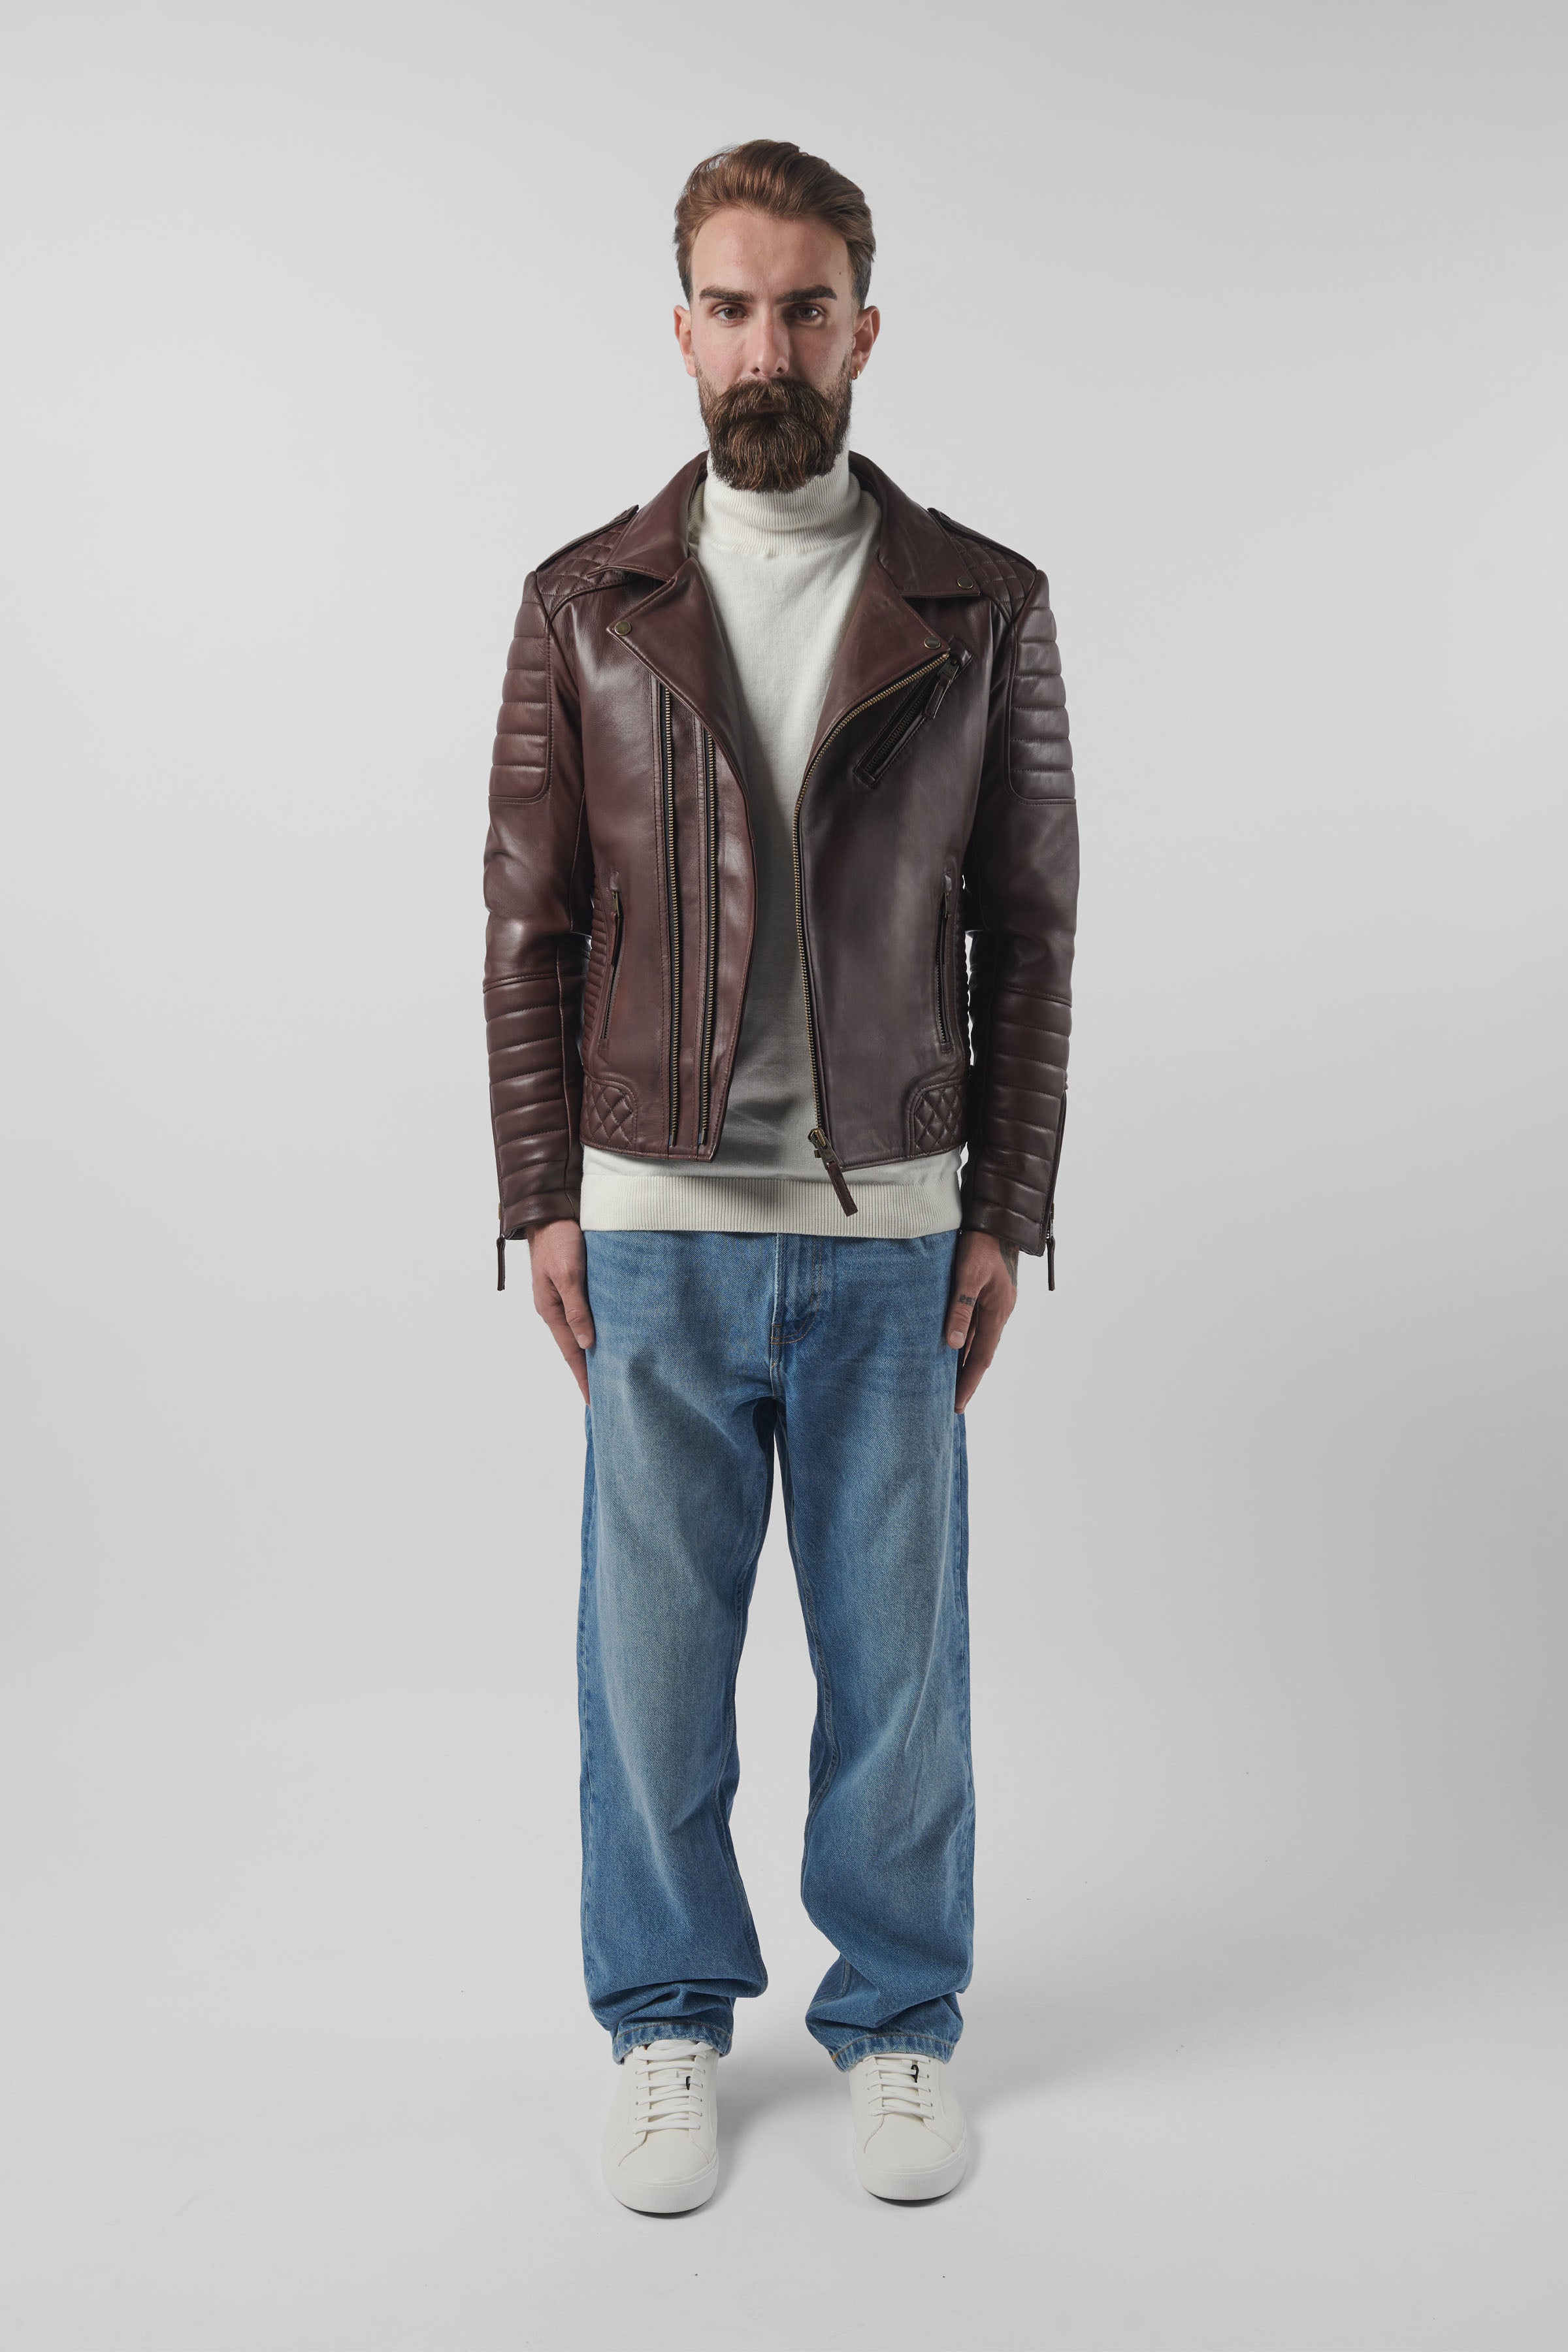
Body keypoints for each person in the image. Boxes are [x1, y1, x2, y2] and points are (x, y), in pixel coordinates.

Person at [482, 140, 1077, 2212]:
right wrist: (541, 1195)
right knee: (651, 1671)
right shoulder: (584, 603)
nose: (768, 346)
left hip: (893, 1222)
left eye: (805, 307)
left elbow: (1032, 929)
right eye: (731, 308)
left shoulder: (984, 604)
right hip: (653, 1224)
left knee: (899, 1673)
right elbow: (528, 925)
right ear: (682, 330)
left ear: (863, 331)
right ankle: (662, 2026)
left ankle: (898, 2024)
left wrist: (1005, 1209)